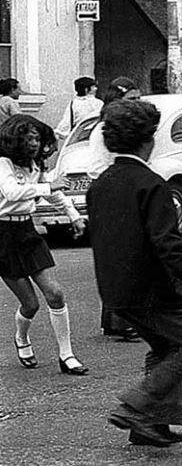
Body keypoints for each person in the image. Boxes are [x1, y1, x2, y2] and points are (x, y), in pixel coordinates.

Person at [87, 99, 182, 447]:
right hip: (154, 289)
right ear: (148, 141)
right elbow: (168, 243)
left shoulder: (100, 184)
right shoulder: (151, 183)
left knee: (164, 349)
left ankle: (151, 425)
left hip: (117, 291)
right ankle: (136, 405)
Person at [1, 115, 88, 375]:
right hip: (3, 234)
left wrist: (74, 216)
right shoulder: (3, 163)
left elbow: (56, 194)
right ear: (14, 141)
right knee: (30, 305)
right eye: (28, 138)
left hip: (27, 230)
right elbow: (12, 192)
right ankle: (22, 338)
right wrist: (47, 186)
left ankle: (67, 355)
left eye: (37, 138)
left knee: (55, 293)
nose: (34, 144)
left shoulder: (36, 165)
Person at [88, 76, 143, 341]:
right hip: (112, 194)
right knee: (122, 257)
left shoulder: (127, 128)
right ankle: (123, 321)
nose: (137, 104)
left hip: (123, 190)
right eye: (131, 100)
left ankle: (115, 320)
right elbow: (97, 166)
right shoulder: (104, 129)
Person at [55, 77, 103, 141]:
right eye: (93, 87)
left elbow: (66, 123)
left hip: (78, 138)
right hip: (94, 138)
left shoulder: (73, 103)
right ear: (86, 89)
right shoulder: (98, 103)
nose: (96, 89)